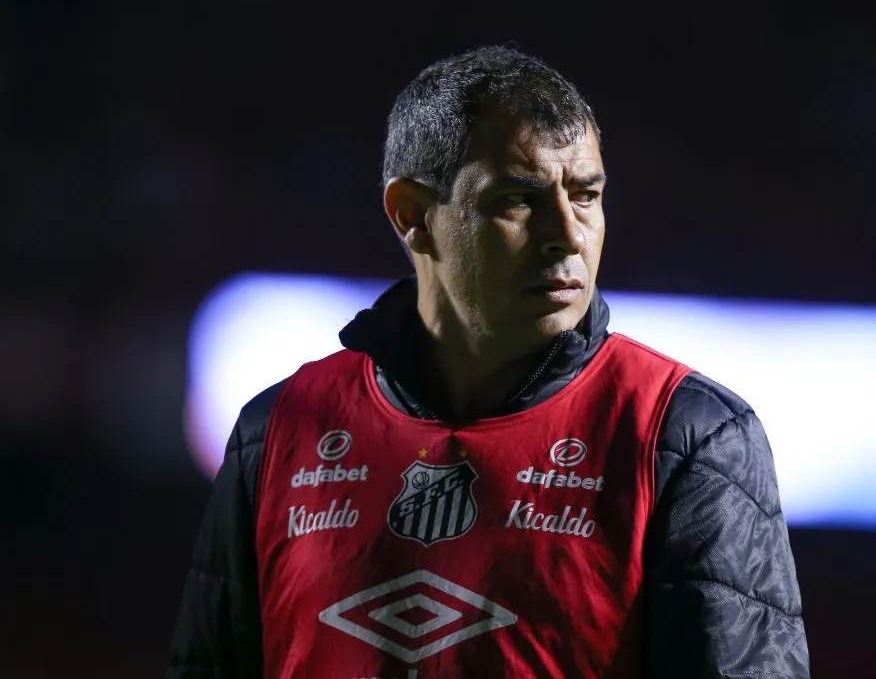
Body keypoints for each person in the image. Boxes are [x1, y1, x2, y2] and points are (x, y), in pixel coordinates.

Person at [167, 45, 810, 679]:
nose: (568, 233)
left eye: (585, 195)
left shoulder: (686, 435)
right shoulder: (278, 428)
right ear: (412, 216)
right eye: (520, 200)